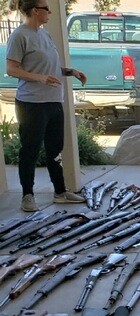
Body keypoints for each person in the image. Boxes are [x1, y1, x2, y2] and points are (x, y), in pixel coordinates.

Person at [5, 0, 87, 212]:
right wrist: (39, 78)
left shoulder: (44, 34)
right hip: (32, 103)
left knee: (55, 149)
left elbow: (49, 66)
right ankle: (27, 196)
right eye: (46, 9)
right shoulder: (19, 35)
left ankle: (60, 192)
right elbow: (12, 69)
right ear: (35, 11)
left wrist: (71, 71)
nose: (49, 12)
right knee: (30, 150)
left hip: (53, 101)